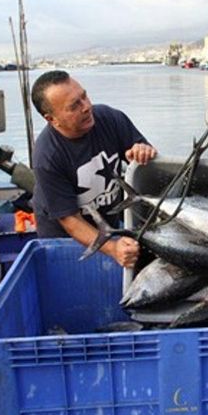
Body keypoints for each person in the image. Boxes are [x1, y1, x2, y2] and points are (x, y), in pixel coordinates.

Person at [30, 70, 157, 267]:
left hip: (108, 224)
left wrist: (142, 152)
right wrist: (112, 249)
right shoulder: (47, 157)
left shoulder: (109, 118)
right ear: (52, 119)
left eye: (84, 96)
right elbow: (70, 220)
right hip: (65, 239)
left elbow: (144, 160)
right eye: (74, 106)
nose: (87, 107)